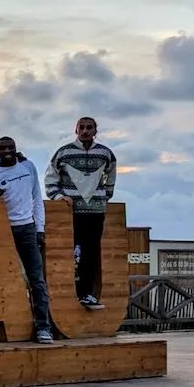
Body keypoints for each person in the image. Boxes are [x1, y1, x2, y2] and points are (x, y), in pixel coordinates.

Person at [45, 116, 117, 310]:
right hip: (70, 212)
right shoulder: (64, 152)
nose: (85, 131)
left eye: (89, 127)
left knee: (92, 252)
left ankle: (87, 294)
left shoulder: (105, 153)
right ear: (76, 130)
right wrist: (59, 197)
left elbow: (111, 177)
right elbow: (50, 179)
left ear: (95, 131)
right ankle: (69, 293)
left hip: (95, 211)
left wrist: (103, 197)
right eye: (82, 127)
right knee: (71, 252)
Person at [0, 137, 53, 343]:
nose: (7, 151)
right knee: (6, 281)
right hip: (4, 231)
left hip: (27, 228)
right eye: (2, 148)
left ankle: (44, 327)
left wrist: (39, 228)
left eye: (10, 147)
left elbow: (36, 198)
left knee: (37, 279)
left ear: (16, 149)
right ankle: (12, 327)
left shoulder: (28, 166)